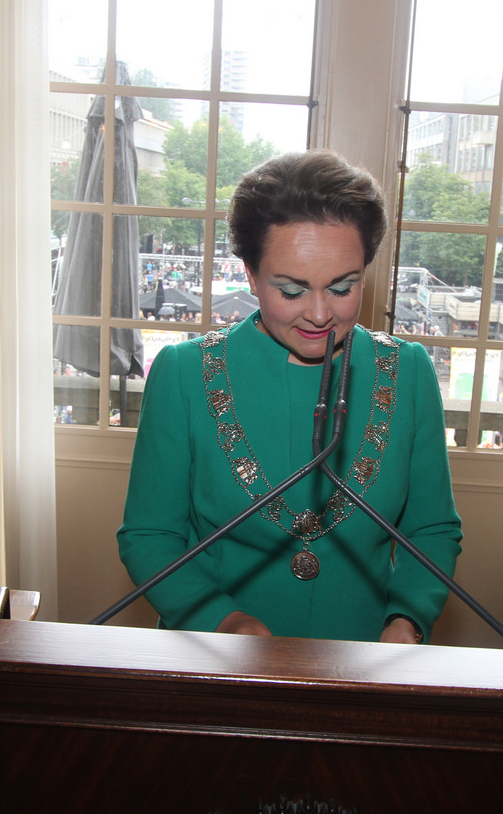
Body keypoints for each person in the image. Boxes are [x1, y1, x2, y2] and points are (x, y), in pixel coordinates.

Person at [117, 151, 460, 644]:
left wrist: (407, 620)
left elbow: (431, 529)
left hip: (367, 660)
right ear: (251, 274)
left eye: (343, 287)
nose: (320, 314)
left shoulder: (408, 372)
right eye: (292, 290)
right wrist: (224, 622)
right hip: (217, 656)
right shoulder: (183, 373)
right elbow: (150, 536)